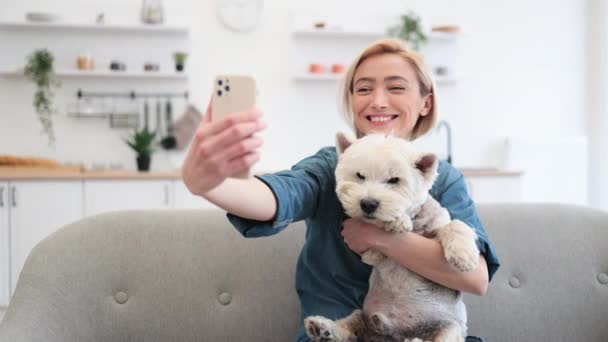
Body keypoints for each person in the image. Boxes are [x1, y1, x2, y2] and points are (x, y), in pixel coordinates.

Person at [182, 38, 500, 342]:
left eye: (396, 87)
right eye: (363, 89)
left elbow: (474, 277)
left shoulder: (442, 178)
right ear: (351, 101)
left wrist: (383, 238)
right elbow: (279, 196)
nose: (377, 100)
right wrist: (210, 184)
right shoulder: (330, 165)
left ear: (425, 103)